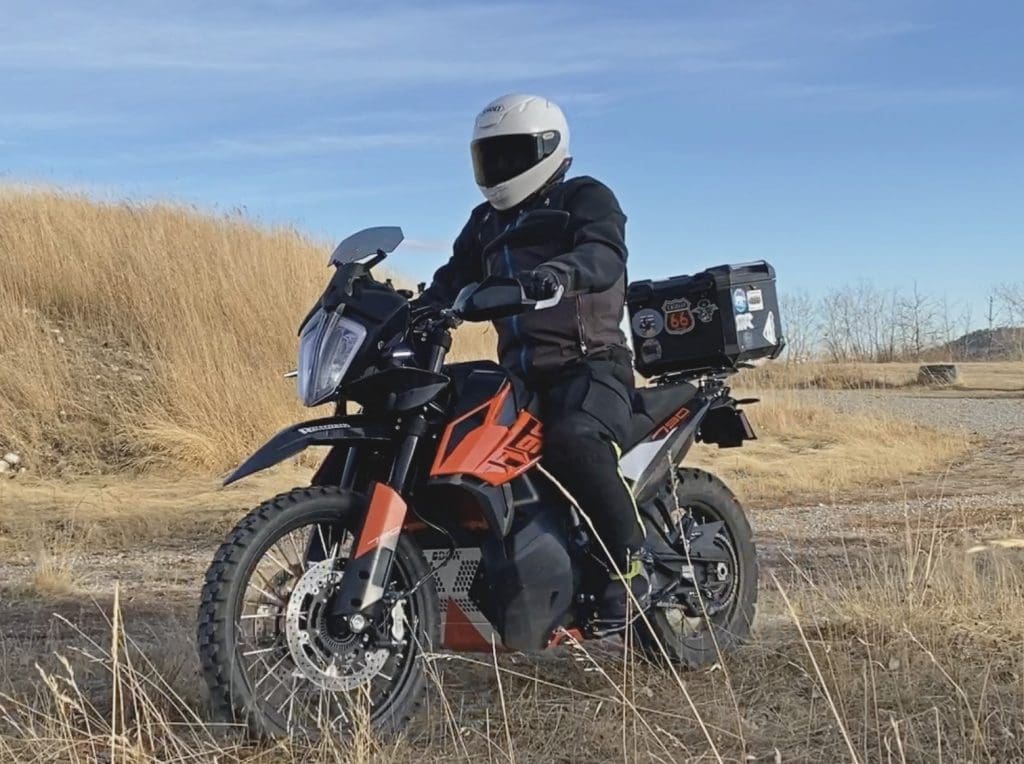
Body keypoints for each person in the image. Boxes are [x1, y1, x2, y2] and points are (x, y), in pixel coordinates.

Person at [418, 93, 649, 624]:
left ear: (549, 149)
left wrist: (560, 273)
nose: (498, 168)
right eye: (489, 156)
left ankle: (626, 568)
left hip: (591, 366)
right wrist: (414, 310)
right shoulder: (485, 222)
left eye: (511, 154)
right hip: (519, 375)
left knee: (573, 440)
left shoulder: (586, 196)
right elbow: (451, 279)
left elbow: (603, 252)